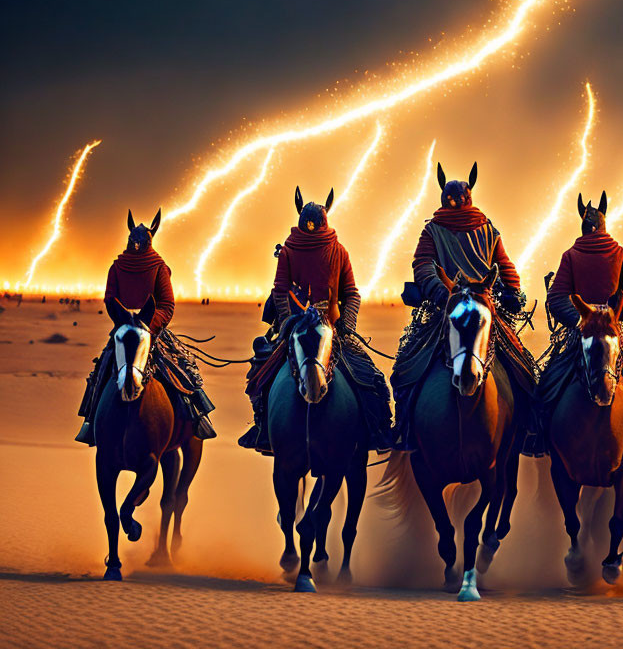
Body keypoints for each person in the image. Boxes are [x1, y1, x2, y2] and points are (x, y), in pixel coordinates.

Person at [391, 162, 541, 454]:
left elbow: (423, 267)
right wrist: (512, 292)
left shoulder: (436, 230)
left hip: (447, 309)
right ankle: (531, 430)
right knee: (525, 371)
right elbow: (505, 266)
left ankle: (403, 431)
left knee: (406, 370)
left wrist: (440, 294)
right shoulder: (482, 228)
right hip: (472, 307)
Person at [240, 186, 393, 454]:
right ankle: (263, 428)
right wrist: (288, 322)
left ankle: (377, 429)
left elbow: (351, 293)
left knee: (370, 377)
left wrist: (346, 324)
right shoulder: (288, 251)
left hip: (332, 327)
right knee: (260, 375)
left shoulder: (339, 251)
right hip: (296, 327)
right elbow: (280, 289)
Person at [76, 209, 216, 445]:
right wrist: (123, 320)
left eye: (142, 241)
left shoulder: (159, 267)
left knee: (182, 369)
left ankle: (198, 415)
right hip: (123, 328)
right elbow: (110, 299)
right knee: (100, 372)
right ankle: (90, 421)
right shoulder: (117, 267)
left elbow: (166, 303)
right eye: (135, 241)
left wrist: (148, 327)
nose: (138, 244)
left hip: (152, 330)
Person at [539, 191, 623, 435]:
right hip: (612, 330)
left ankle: (538, 433)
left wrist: (581, 321)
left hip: (582, 333)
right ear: (604, 225)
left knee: (547, 384)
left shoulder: (571, 255)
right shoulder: (620, 254)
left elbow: (556, 298)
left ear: (582, 227)